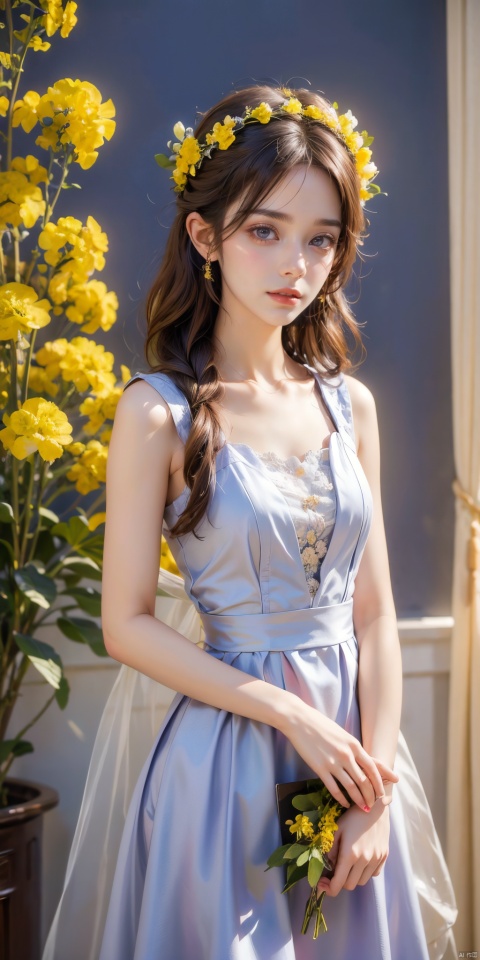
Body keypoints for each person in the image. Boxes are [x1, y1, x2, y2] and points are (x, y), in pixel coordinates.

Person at [42, 84, 457, 960]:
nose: (294, 266)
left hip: (354, 758)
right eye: (265, 231)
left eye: (321, 240)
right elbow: (124, 626)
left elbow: (374, 615)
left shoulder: (352, 407)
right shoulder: (158, 413)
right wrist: (287, 714)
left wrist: (373, 797)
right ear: (206, 235)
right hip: (224, 764)